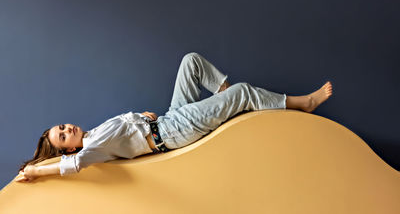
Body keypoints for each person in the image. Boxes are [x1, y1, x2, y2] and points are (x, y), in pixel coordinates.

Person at [16, 52, 333, 183]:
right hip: (173, 132)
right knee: (242, 92)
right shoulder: (89, 150)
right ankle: (300, 103)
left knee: (190, 62)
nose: (67, 128)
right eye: (63, 135)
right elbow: (72, 166)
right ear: (68, 148)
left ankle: (223, 98)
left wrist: (141, 116)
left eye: (62, 126)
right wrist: (36, 171)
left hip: (166, 120)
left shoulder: (94, 133)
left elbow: (126, 130)